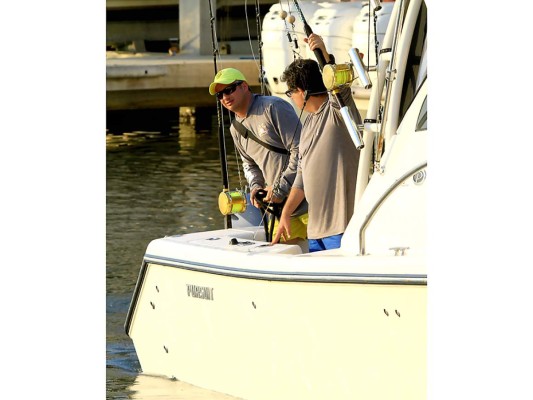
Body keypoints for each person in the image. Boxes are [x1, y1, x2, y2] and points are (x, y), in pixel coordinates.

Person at [272, 33, 362, 252]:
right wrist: (285, 214)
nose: (290, 97)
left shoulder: (337, 112)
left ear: (301, 92)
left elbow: (338, 87)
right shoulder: (307, 125)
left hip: (342, 228)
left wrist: (322, 52)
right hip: (315, 231)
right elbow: (301, 179)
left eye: (290, 92)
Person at [209, 68, 308, 246]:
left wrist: (280, 188)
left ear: (245, 86)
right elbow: (250, 164)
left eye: (229, 89)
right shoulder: (235, 129)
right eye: (219, 95)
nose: (224, 97)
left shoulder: (273, 107)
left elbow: (301, 150)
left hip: (309, 201)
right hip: (280, 208)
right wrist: (256, 186)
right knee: (282, 257)